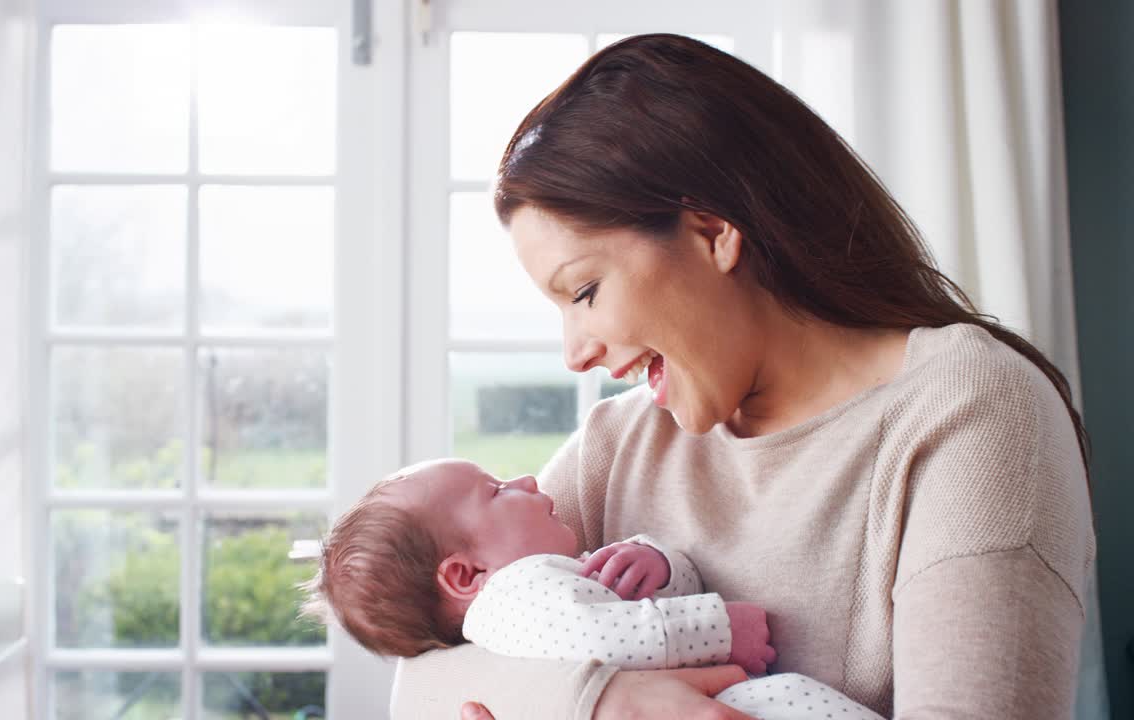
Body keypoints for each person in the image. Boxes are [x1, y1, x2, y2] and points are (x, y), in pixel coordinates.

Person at [390, 33, 1095, 719]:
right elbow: (421, 674)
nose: (575, 354)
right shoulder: (622, 444)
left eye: (585, 292)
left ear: (711, 233)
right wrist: (609, 703)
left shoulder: (970, 411)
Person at [303, 458, 882, 720]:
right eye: (498, 490)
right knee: (791, 700)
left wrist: (656, 564)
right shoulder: (513, 595)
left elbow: (638, 616)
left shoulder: (544, 586)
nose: (528, 479)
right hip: (728, 701)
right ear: (466, 575)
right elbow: (609, 636)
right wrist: (722, 628)